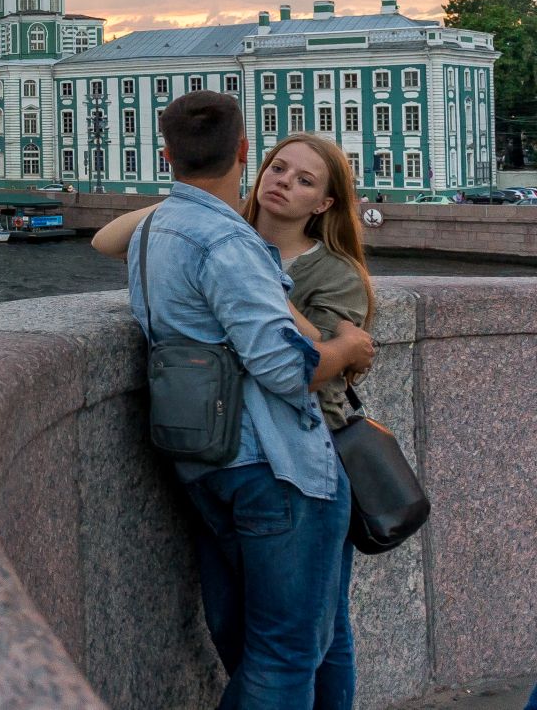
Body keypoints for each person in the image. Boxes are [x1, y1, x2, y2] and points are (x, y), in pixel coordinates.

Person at [97, 132, 375, 710]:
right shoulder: (220, 235)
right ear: (249, 161)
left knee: (316, 634)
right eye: (277, 168)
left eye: (304, 181)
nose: (283, 183)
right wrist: (195, 187)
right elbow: (107, 239)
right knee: (249, 630)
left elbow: (319, 363)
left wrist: (253, 280)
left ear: (324, 205)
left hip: (301, 457)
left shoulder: (333, 272)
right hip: (228, 451)